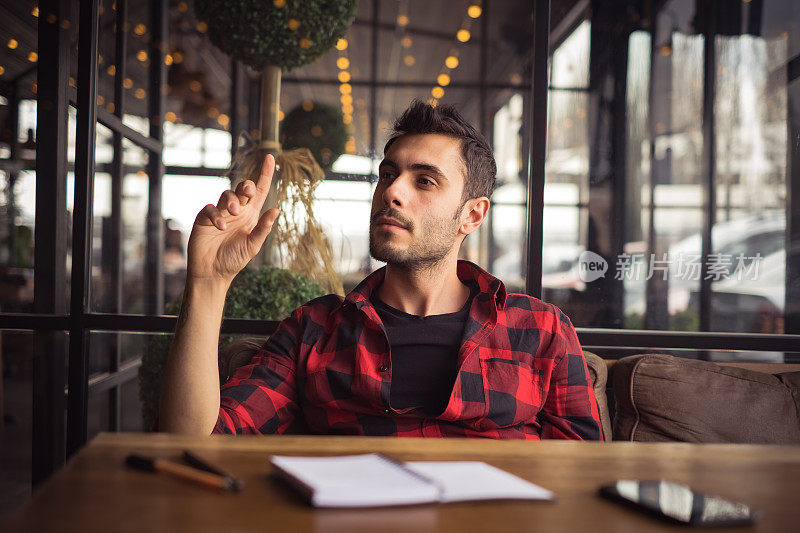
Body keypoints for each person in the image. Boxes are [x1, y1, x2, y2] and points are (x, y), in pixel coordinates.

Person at [159, 100, 602, 440]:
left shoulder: (540, 329)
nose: (392, 192)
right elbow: (195, 441)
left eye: (424, 180)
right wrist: (208, 281)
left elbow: (582, 473)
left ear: (472, 215)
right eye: (387, 174)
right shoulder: (315, 329)